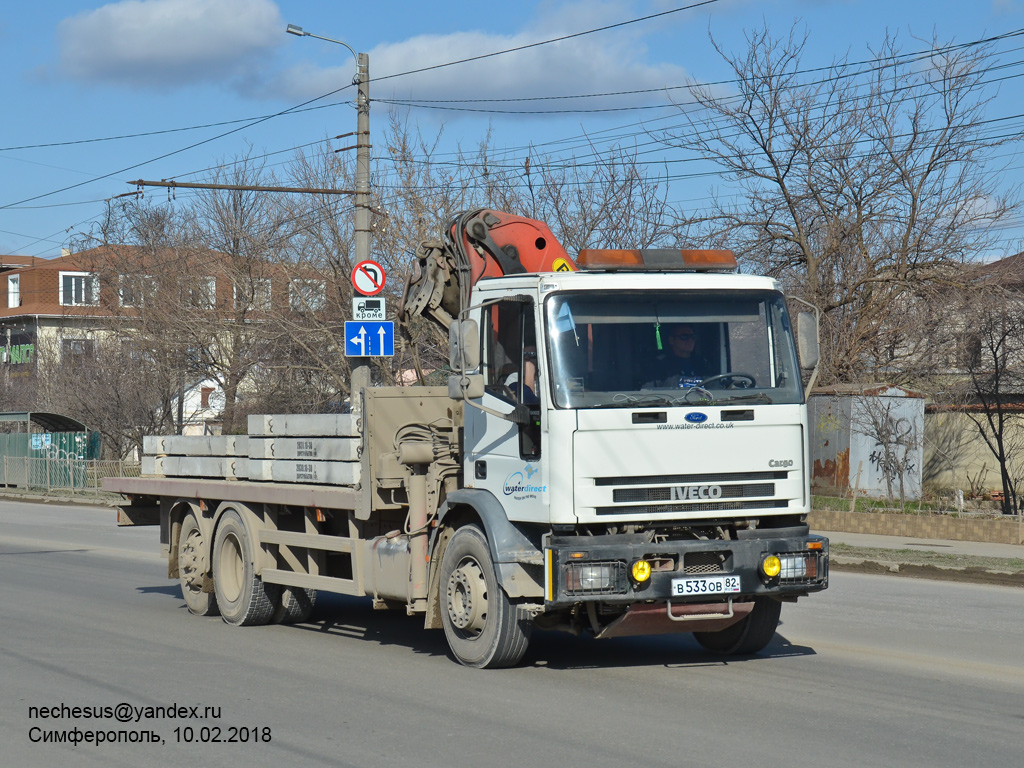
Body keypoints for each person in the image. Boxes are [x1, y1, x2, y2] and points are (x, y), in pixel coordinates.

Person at [645, 323, 713, 388]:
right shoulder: (659, 365)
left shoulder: (702, 364)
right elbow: (649, 392)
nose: (690, 340)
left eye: (693, 336)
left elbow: (714, 388)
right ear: (671, 340)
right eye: (684, 337)